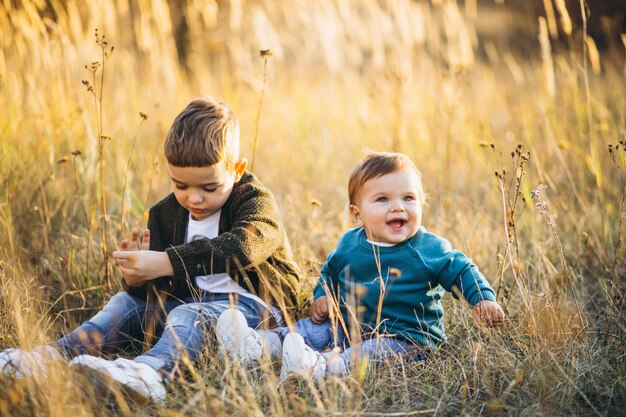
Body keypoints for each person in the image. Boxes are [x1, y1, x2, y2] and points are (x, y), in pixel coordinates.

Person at [0, 97, 301, 404]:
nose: (194, 198)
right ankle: (49, 358)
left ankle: (149, 374)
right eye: (180, 185)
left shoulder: (253, 200)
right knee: (124, 303)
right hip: (189, 302)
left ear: (237, 170)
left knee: (189, 313)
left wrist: (166, 261)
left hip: (256, 308)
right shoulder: (165, 214)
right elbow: (160, 293)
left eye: (209, 188)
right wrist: (138, 279)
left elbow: (244, 247)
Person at [216, 151, 505, 379]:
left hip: (407, 338)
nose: (398, 207)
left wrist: (481, 299)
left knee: (369, 352)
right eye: (382, 199)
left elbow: (461, 268)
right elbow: (331, 271)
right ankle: (257, 345)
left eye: (408, 198)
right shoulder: (350, 245)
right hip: (350, 324)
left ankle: (319, 368)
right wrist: (323, 296)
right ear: (357, 214)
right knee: (312, 331)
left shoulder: (427, 248)